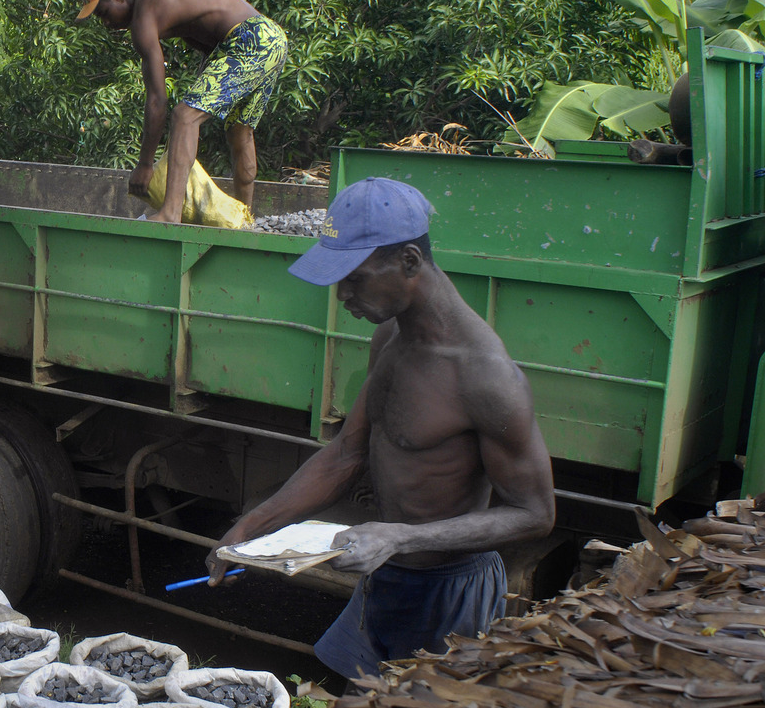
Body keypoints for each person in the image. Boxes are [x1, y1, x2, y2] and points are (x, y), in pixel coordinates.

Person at [204, 178, 555, 680]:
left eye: (355, 277)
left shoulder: (485, 376)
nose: (342, 293)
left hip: (449, 592)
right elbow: (348, 452)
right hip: (387, 575)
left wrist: (400, 537)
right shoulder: (390, 338)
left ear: (410, 263)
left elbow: (535, 514)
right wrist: (247, 531)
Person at [77, 0, 288, 225]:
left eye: (103, 13)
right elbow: (211, 47)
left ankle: (170, 213)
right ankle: (245, 218)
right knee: (239, 130)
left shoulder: (144, 15)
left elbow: (157, 101)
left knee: (184, 116)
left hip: (249, 40)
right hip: (271, 38)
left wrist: (145, 165)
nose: (106, 23)